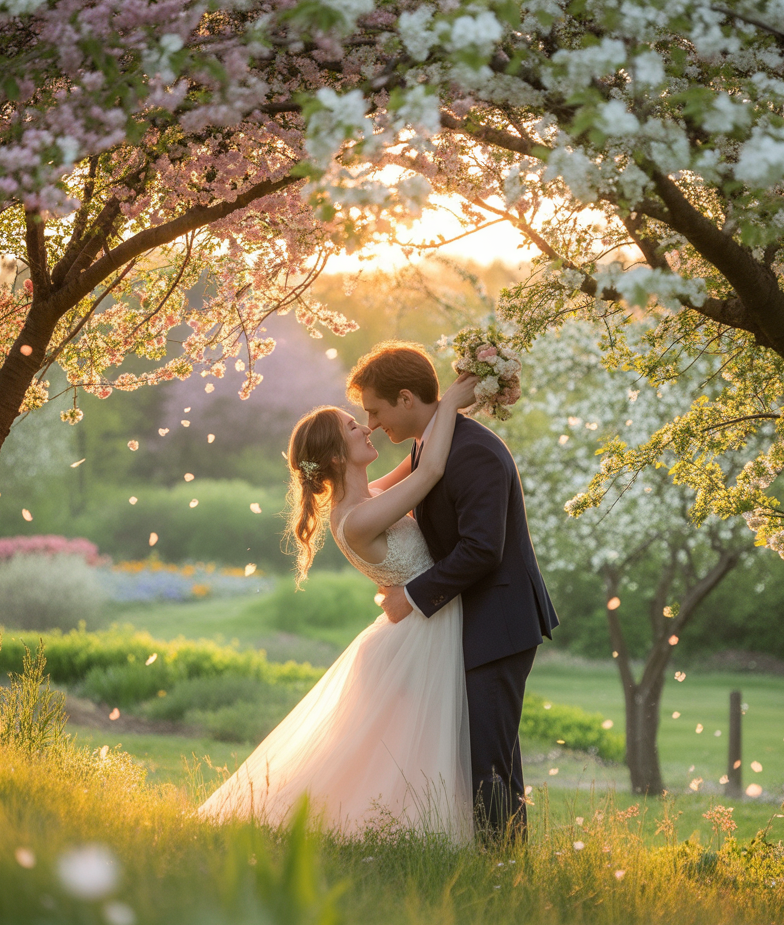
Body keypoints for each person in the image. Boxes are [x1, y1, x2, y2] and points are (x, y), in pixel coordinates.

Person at [198, 371, 480, 841]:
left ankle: (413, 836)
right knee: (415, 751)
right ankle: (407, 838)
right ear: (335, 456)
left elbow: (418, 458)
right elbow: (429, 472)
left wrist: (456, 397)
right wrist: (450, 403)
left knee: (403, 753)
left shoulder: (365, 498)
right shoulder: (356, 518)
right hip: (420, 636)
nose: (366, 428)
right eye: (353, 427)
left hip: (418, 627)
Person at [348, 342, 559, 842]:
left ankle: (503, 865)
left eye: (375, 411)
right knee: (476, 752)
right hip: (470, 621)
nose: (373, 424)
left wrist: (412, 596)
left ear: (405, 398)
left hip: (499, 623)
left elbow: (483, 550)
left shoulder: (476, 453)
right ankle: (486, 857)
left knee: (489, 755)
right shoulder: (431, 447)